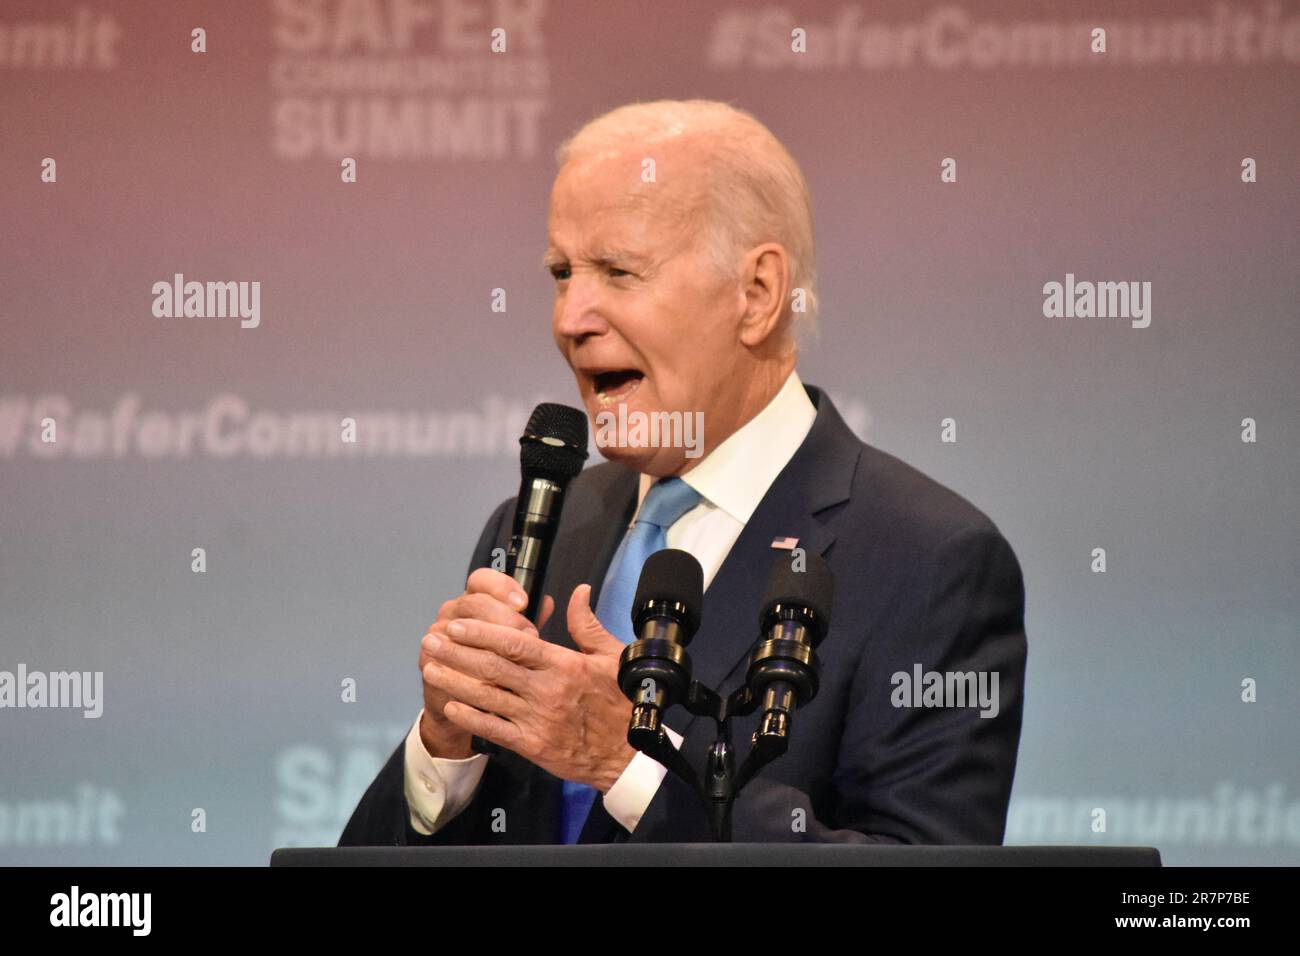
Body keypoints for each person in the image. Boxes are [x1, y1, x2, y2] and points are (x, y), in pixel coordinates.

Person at [339, 100, 1027, 846]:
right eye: (562, 273)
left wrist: (629, 766)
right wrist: (447, 749)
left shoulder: (928, 559)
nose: (572, 317)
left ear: (758, 294)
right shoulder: (538, 526)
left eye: (618, 271)